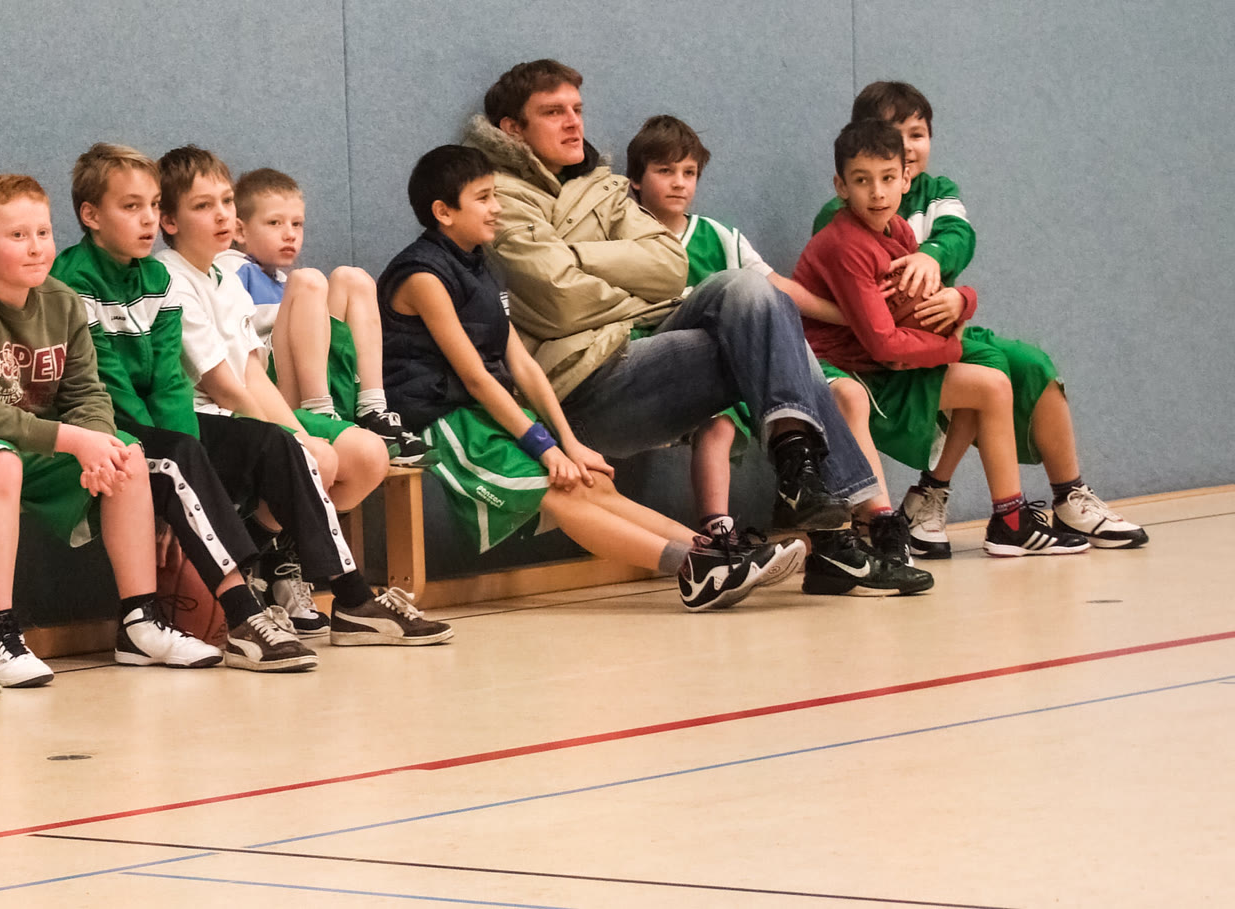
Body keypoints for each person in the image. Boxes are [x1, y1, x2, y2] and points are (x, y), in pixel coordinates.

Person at [462, 60, 914, 588]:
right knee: (771, 343)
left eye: (577, 109)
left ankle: (802, 474)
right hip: (583, 387)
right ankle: (842, 533)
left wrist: (573, 256)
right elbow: (558, 300)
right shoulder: (497, 198)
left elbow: (669, 266)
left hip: (650, 353)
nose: (573, 122)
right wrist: (626, 282)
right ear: (512, 129)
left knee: (749, 290)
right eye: (552, 112)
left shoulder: (603, 186)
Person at [53, 143, 448, 663]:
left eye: (151, 205)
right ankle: (244, 614)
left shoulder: (154, 278)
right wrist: (177, 470)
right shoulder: (74, 279)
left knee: (275, 443)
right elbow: (110, 390)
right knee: (182, 454)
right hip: (107, 427)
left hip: (168, 427)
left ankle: (353, 600)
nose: (147, 219)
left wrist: (190, 453)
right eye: (132, 207)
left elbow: (169, 383)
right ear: (90, 215)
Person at [380, 145, 803, 610]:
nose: (497, 207)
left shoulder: (482, 265)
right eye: (483, 198)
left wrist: (568, 442)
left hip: (484, 411)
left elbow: (521, 364)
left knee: (592, 483)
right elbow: (477, 377)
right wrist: (544, 448)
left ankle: (718, 554)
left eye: (495, 195)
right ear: (443, 212)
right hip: (437, 420)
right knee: (559, 495)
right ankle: (694, 568)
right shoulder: (423, 276)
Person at [0, 173, 221, 683]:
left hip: (16, 444)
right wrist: (75, 440)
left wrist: (97, 443)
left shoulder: (61, 301)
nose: (36, 247)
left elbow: (87, 393)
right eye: (17, 235)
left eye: (43, 233)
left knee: (125, 453)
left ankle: (139, 622)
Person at [812, 82, 1146, 556]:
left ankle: (1068, 496)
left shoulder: (935, 194)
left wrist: (947, 282)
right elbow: (873, 316)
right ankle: (933, 494)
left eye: (917, 134)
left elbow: (959, 238)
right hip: (878, 347)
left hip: (934, 326)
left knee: (1031, 364)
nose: (907, 146)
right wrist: (950, 318)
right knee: (984, 367)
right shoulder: (842, 219)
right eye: (893, 134)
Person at [625, 116, 930, 591]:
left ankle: (846, 530)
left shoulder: (719, 235)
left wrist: (853, 317)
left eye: (689, 172)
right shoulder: (620, 233)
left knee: (812, 375)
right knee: (727, 395)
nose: (680, 183)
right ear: (635, 180)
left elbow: (780, 290)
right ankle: (721, 531)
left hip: (726, 366)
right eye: (666, 172)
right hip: (652, 364)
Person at [222, 166, 431, 464]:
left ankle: (373, 411)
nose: (290, 234)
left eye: (297, 224)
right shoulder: (228, 267)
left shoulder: (281, 281)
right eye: (274, 223)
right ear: (240, 231)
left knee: (353, 279)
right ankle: (318, 413)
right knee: (309, 280)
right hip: (273, 395)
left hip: (309, 378)